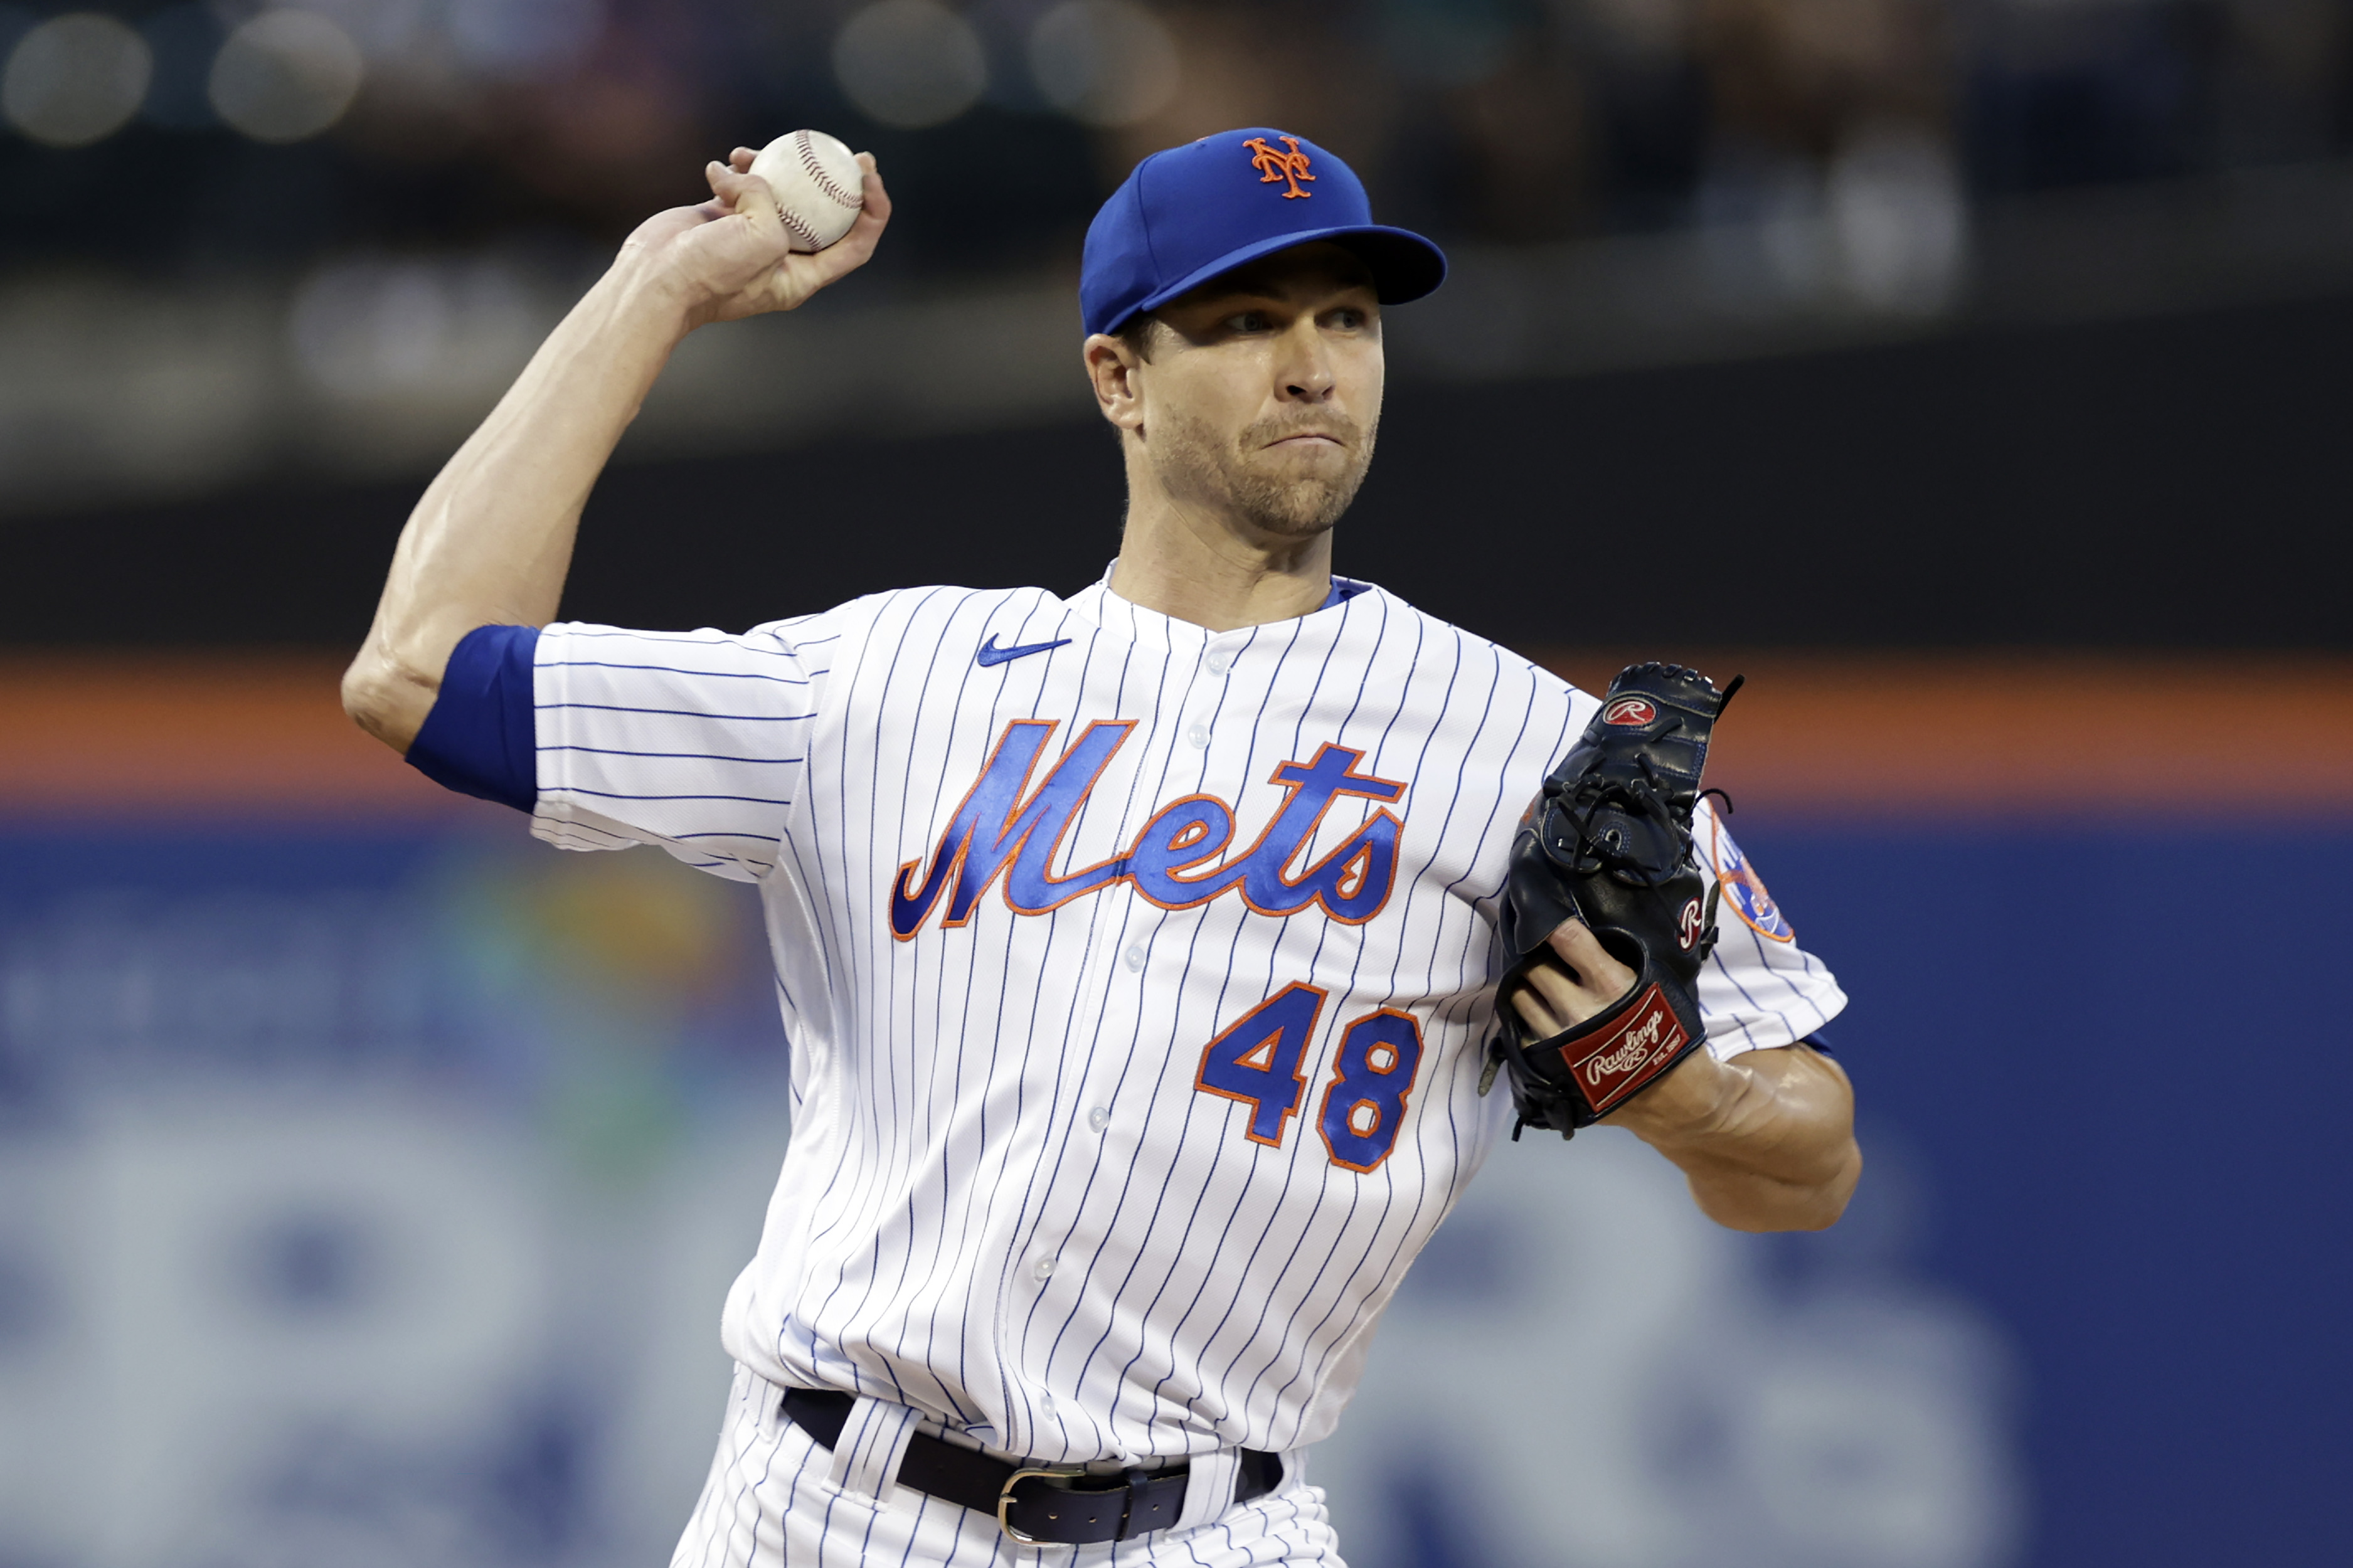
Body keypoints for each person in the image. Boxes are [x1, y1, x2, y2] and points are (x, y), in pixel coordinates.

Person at [342, 127, 1859, 1567]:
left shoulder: (1531, 745)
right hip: (824, 1505)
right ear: (1118, 376)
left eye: (1348, 314)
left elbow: (1807, 1162)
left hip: (1215, 1520)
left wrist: (1681, 1088)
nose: (1313, 361)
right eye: (1248, 319)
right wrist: (654, 287)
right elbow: (415, 671)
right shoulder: (882, 680)